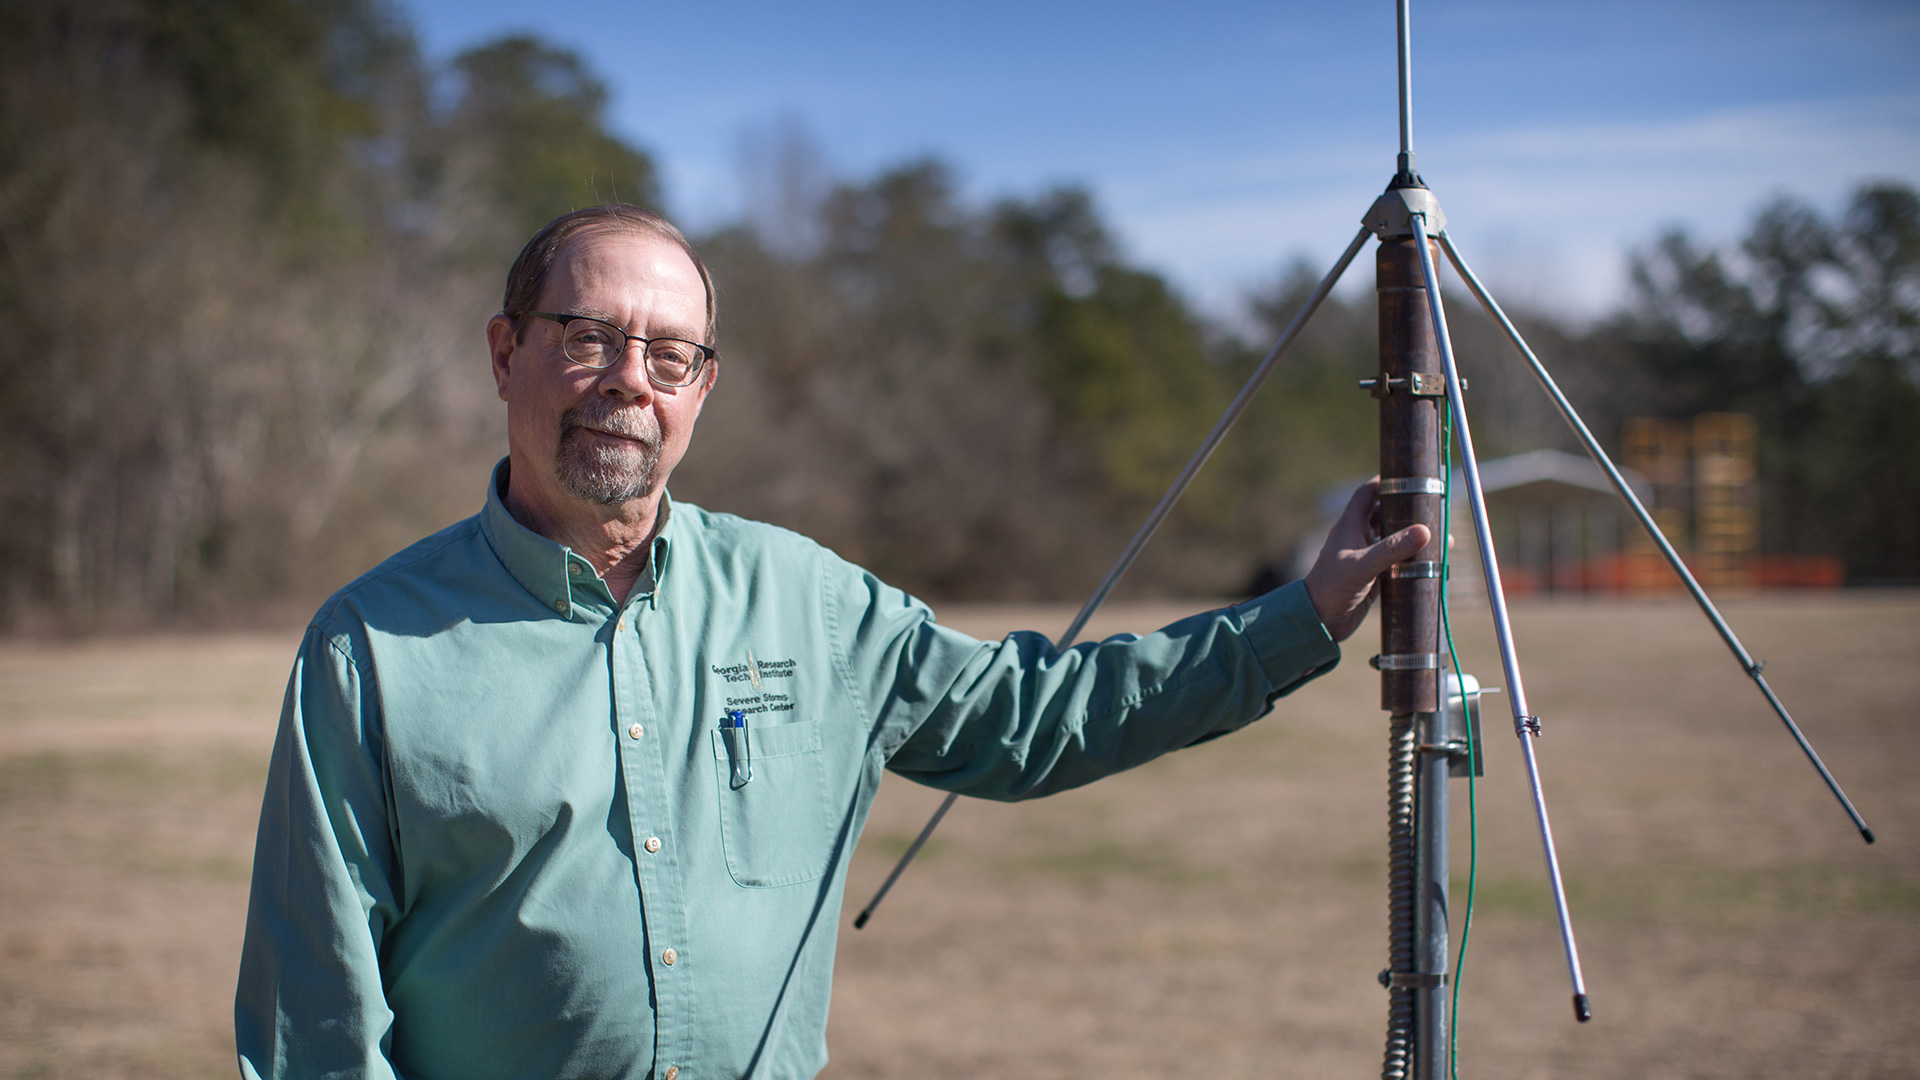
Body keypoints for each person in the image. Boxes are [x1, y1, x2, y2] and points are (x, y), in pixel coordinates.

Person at [234, 205, 1427, 1080]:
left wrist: (1302, 617)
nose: (627, 384)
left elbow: (1038, 716)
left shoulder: (806, 599)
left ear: (703, 388)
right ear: (506, 353)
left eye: (667, 355)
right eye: (588, 336)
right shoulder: (370, 648)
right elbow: (315, 1022)